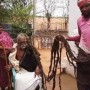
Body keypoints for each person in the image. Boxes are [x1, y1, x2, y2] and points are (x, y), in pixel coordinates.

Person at [66, 0, 90, 90]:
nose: (84, 9)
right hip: (83, 56)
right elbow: (81, 37)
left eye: (86, 6)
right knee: (82, 84)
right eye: (81, 7)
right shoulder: (80, 21)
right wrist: (69, 38)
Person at [0, 24, 13, 90]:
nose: (0, 28)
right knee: (1, 72)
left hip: (8, 55)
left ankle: (8, 84)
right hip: (1, 56)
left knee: (8, 70)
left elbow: (11, 41)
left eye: (1, 27)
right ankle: (2, 86)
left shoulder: (5, 34)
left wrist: (10, 49)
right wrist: (5, 48)